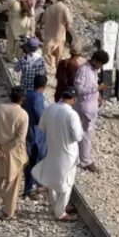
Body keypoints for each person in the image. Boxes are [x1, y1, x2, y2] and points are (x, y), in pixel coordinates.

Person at [32, 87, 84, 220]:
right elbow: (78, 137)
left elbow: (41, 127)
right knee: (66, 183)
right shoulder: (72, 114)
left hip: (53, 149)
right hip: (68, 153)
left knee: (53, 180)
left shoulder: (50, 108)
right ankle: (61, 213)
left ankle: (57, 207)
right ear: (73, 99)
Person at [0, 86, 29, 220]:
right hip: (13, 153)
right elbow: (20, 138)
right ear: (22, 99)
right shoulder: (23, 115)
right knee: (12, 184)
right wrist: (5, 149)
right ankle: (8, 211)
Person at [73, 49, 110, 173]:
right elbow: (79, 89)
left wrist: (98, 95)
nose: (100, 66)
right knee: (86, 134)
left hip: (91, 106)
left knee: (85, 133)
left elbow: (93, 85)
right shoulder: (83, 70)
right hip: (84, 106)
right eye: (100, 63)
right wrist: (97, 88)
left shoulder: (94, 70)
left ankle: (80, 158)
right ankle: (86, 161)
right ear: (95, 60)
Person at [22, 75, 47, 200]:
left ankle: (32, 185)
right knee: (35, 161)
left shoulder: (27, 95)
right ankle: (30, 188)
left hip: (27, 131)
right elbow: (40, 117)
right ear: (44, 86)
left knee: (30, 161)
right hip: (36, 134)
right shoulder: (38, 98)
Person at [41, 0, 73, 70]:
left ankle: (46, 73)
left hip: (48, 36)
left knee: (46, 57)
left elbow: (43, 21)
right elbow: (69, 21)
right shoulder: (65, 9)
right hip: (60, 36)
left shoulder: (49, 8)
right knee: (58, 58)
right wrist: (66, 28)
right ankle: (56, 74)